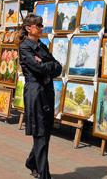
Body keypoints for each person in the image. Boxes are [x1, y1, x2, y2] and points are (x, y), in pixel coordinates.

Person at [19, 13, 62, 179]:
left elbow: (57, 67)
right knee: (41, 134)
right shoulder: (25, 47)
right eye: (38, 25)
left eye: (42, 25)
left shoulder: (42, 46)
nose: (42, 28)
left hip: (47, 93)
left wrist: (46, 65)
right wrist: (47, 67)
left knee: (45, 132)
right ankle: (45, 175)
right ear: (29, 28)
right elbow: (38, 69)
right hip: (35, 94)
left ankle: (32, 161)